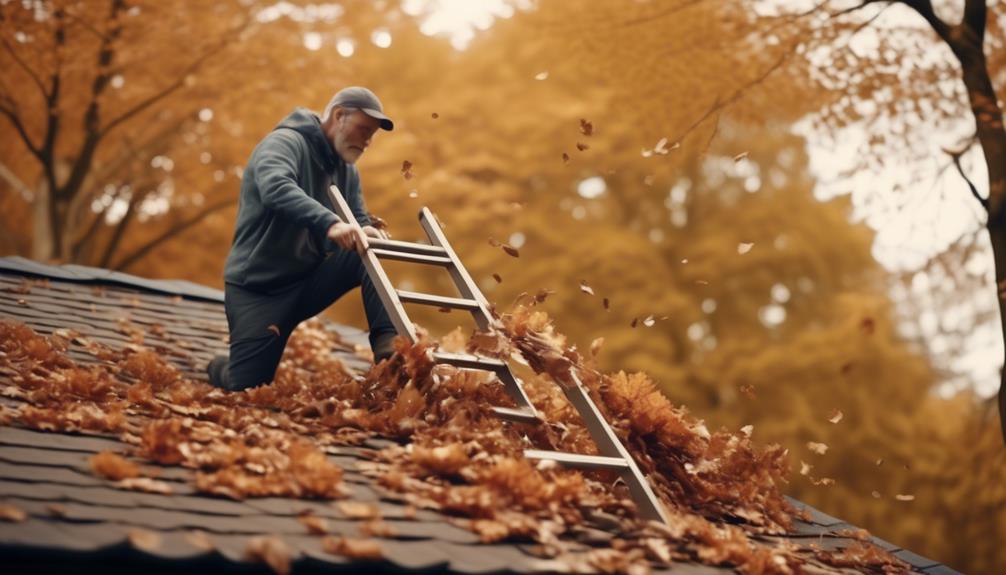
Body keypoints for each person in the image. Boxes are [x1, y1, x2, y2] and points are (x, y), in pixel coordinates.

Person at [206, 86, 398, 391]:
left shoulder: (347, 170)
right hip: (259, 288)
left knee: (366, 251)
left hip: (307, 282)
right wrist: (329, 223)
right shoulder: (285, 142)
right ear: (339, 116)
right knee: (246, 387)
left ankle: (389, 347)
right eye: (364, 129)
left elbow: (357, 218)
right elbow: (276, 187)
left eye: (372, 134)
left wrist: (366, 230)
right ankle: (220, 368)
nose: (368, 141)